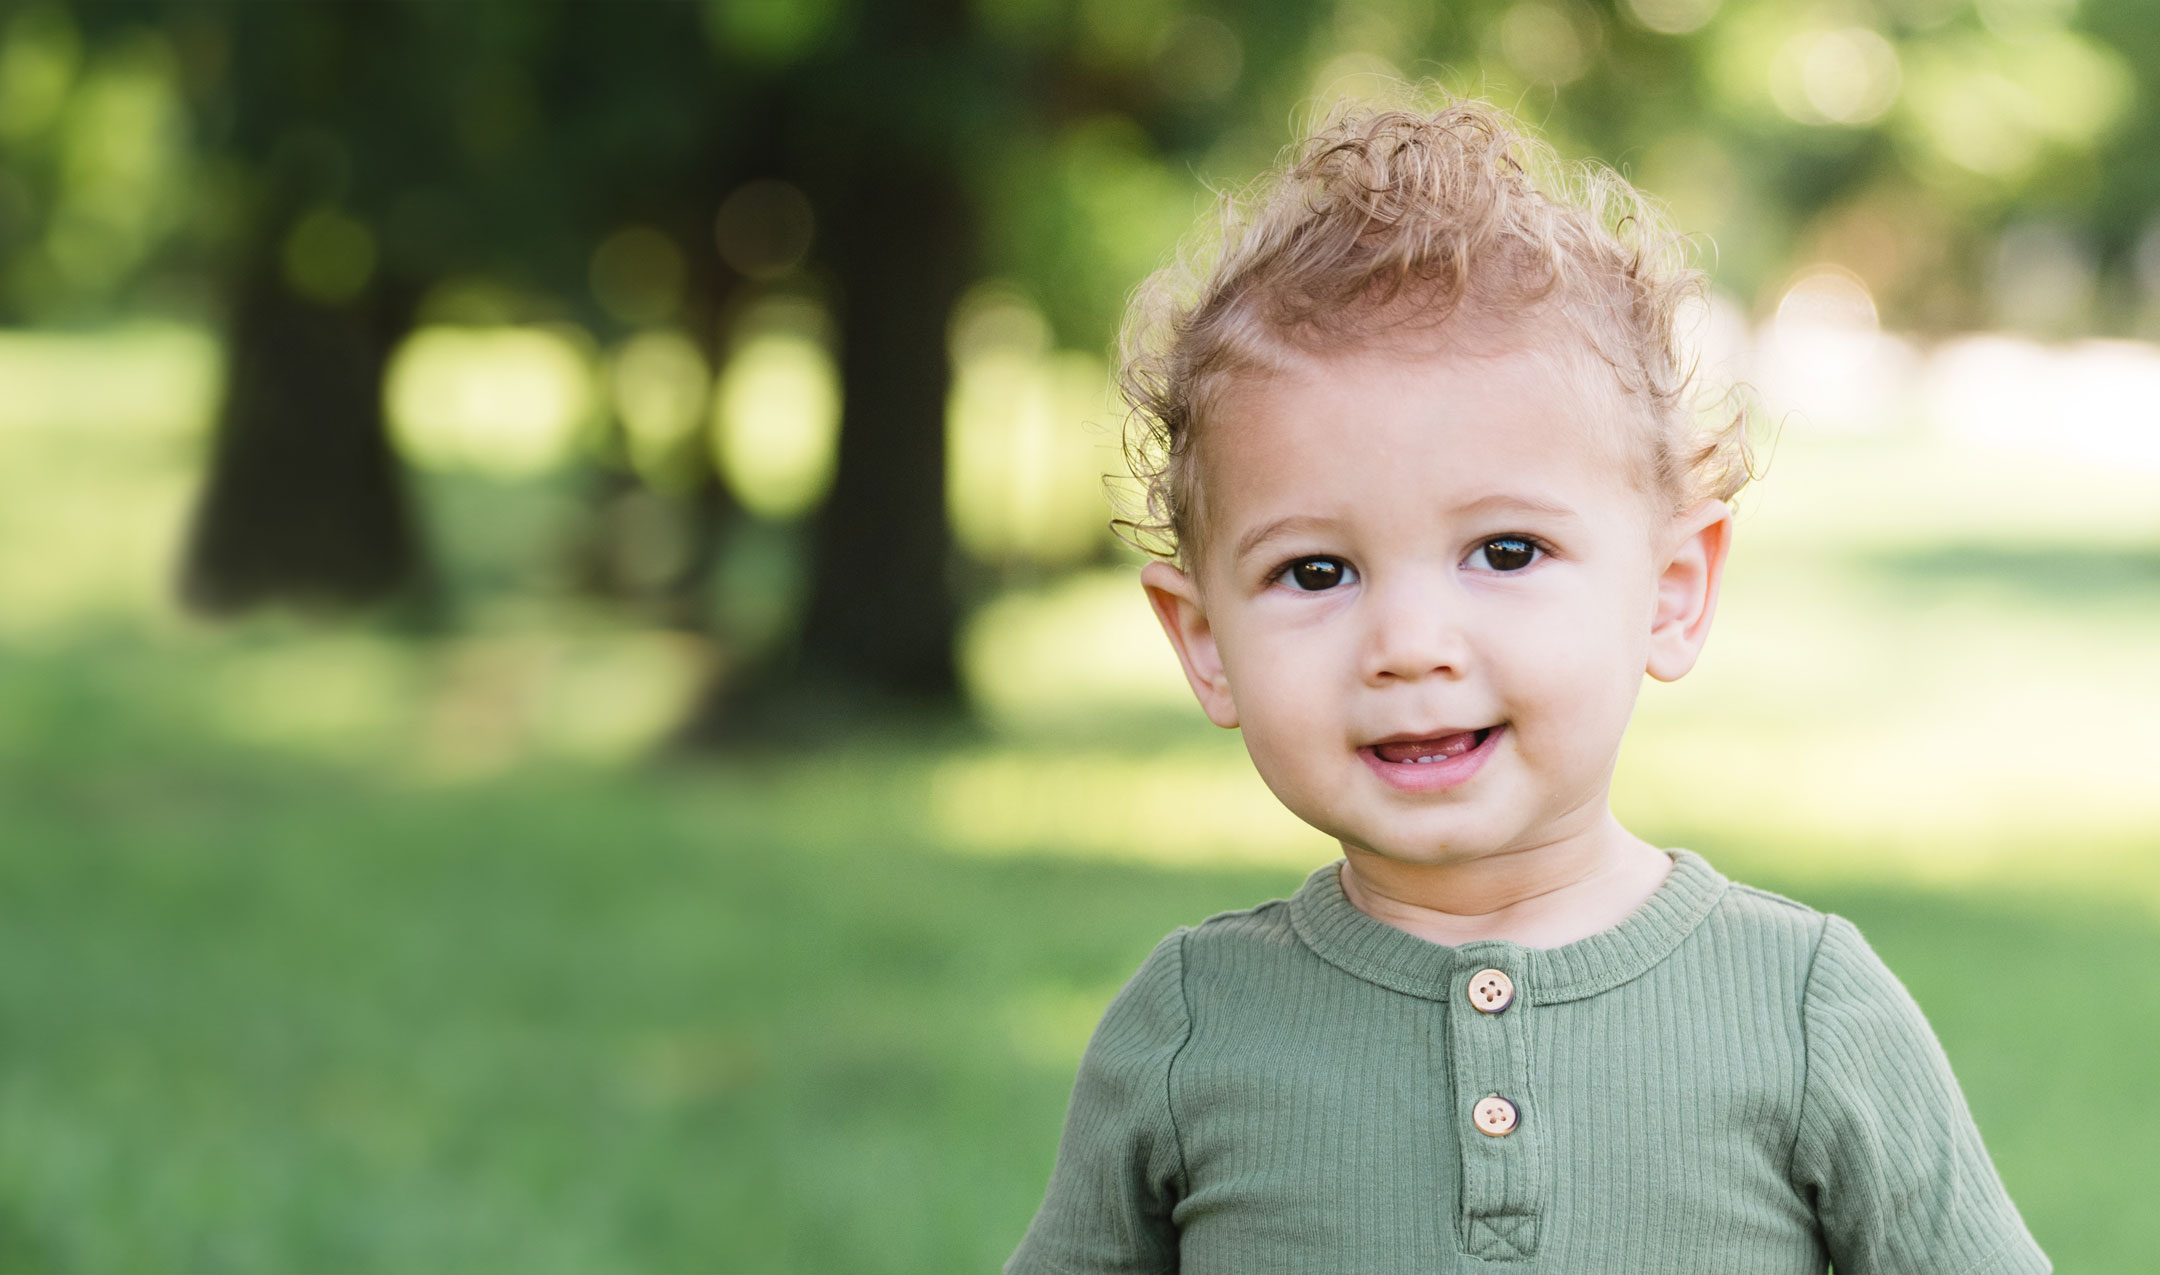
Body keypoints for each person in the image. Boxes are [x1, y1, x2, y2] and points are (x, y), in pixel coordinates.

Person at [1005, 90, 2047, 1275]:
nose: (1408, 642)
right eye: (1315, 570)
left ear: (1670, 588)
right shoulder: (1189, 1032)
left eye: (1505, 553)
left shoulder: (1808, 1010)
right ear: (1203, 640)